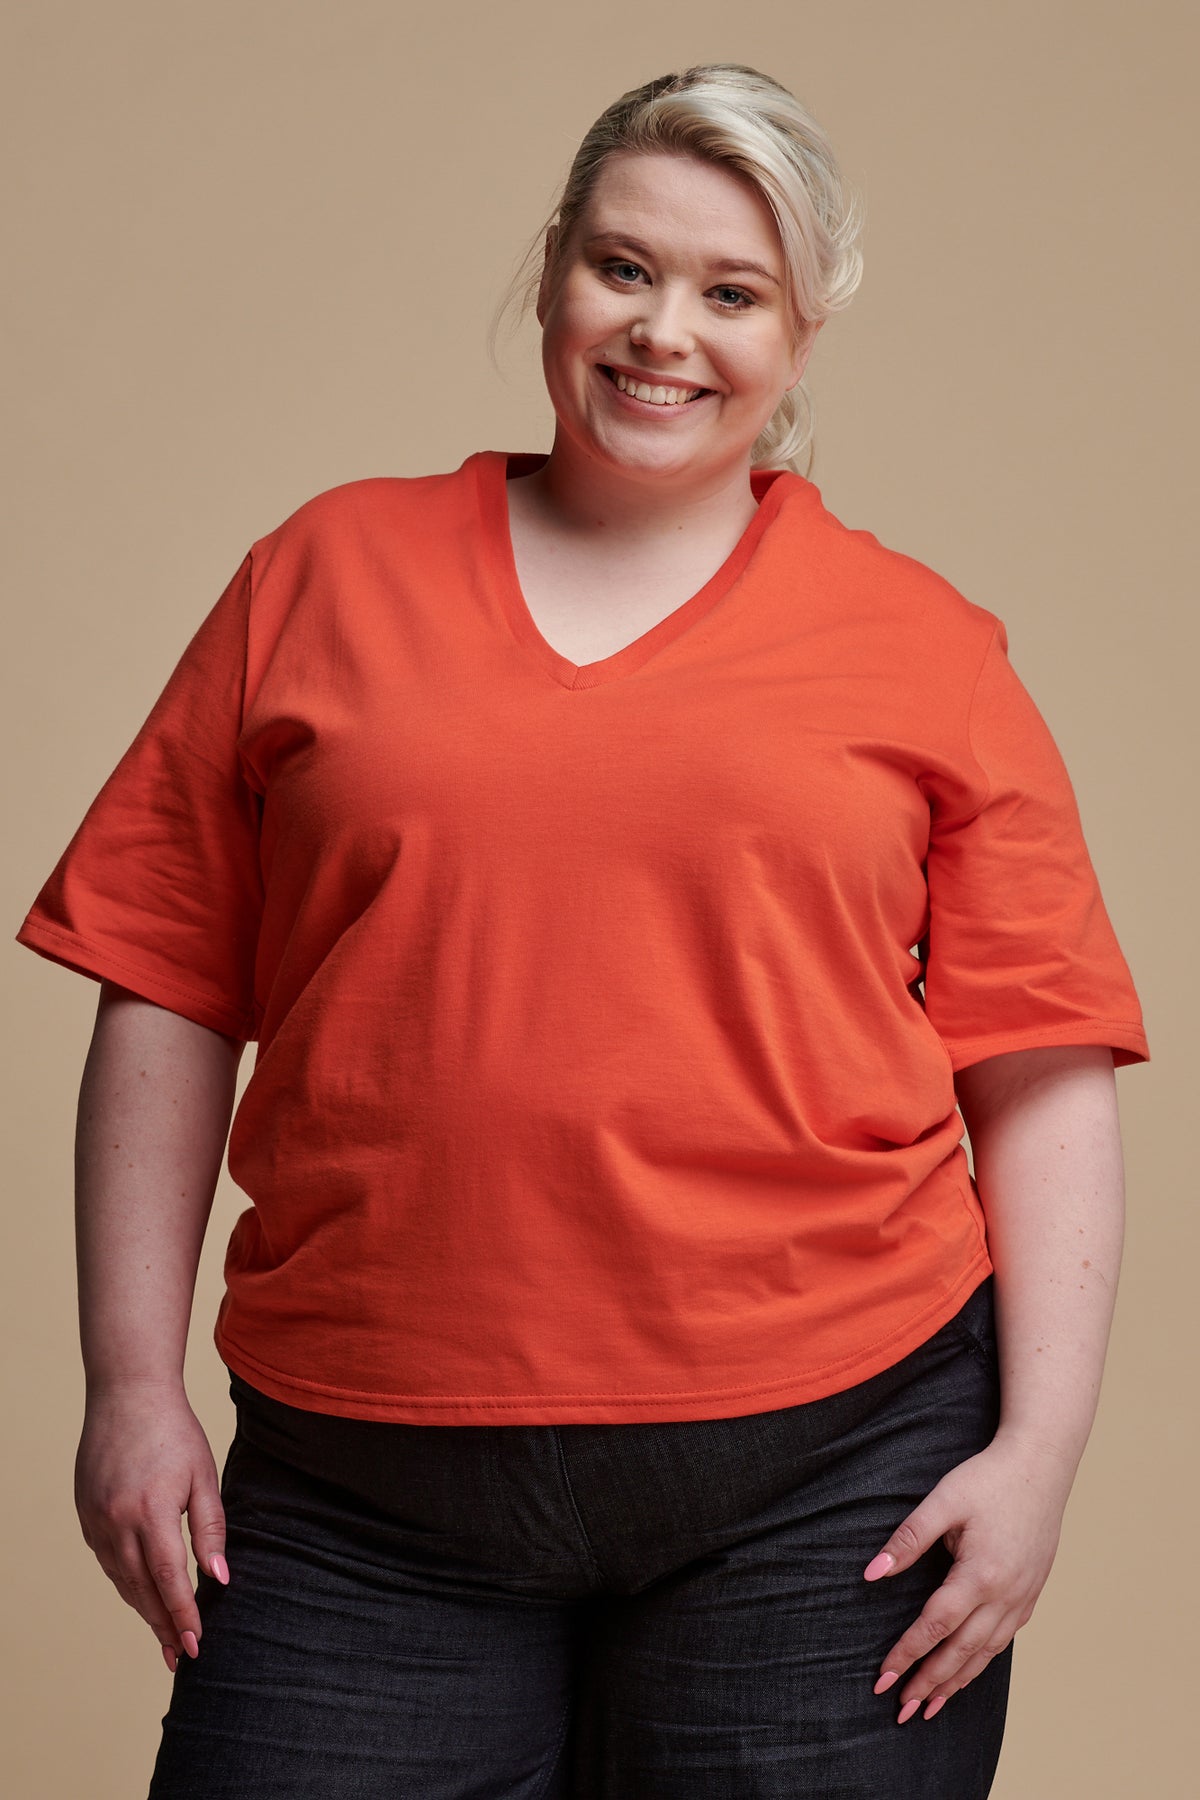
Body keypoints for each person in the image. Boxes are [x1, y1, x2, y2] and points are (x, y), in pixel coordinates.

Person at [15, 62, 1149, 1800]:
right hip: (361, 1489)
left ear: (805, 326)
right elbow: (166, 990)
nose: (662, 333)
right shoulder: (318, 576)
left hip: (829, 1476)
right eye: (623, 268)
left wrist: (1042, 1451)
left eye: (730, 291)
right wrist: (125, 1384)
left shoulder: (928, 648)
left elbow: (1041, 1063)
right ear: (554, 269)